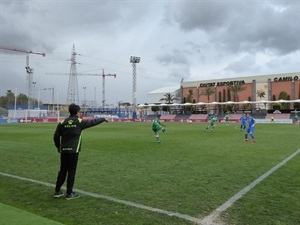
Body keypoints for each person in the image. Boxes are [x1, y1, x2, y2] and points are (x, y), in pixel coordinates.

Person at [53, 103, 108, 200]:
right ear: (77, 112)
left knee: (62, 170)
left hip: (64, 150)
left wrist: (58, 146)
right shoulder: (79, 122)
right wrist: (103, 119)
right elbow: (93, 122)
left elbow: (56, 136)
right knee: (71, 171)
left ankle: (57, 191)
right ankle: (69, 194)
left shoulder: (62, 123)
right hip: (74, 151)